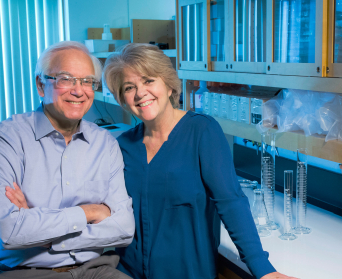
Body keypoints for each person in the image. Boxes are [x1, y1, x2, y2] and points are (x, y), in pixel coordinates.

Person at [102, 43, 298, 279]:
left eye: (148, 80)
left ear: (167, 83)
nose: (140, 93)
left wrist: (264, 269)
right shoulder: (123, 145)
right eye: (129, 87)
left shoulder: (202, 131)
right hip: (129, 272)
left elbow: (231, 202)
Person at [0, 41, 135, 279]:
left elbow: (124, 229)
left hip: (95, 270)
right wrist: (90, 212)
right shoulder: (3, 139)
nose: (79, 90)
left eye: (87, 81)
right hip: (23, 272)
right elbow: (8, 232)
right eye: (66, 79)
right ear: (41, 85)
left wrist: (40, 231)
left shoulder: (106, 143)